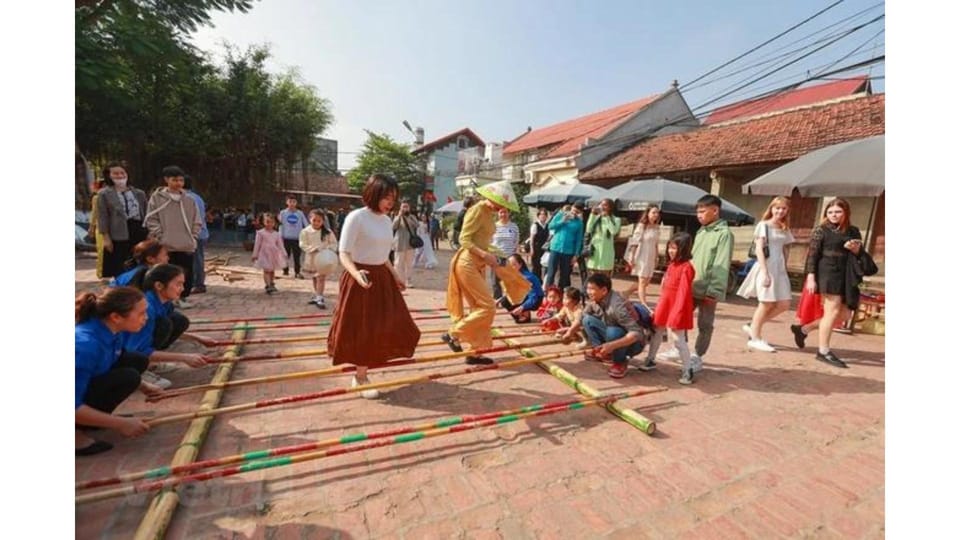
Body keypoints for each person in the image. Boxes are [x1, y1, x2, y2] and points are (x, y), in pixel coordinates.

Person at [328, 174, 421, 399]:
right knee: (363, 328)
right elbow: (344, 253)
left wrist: (395, 274)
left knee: (392, 322)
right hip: (360, 277)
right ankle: (360, 377)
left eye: (393, 198)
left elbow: (383, 254)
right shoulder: (356, 217)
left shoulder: (387, 220)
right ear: (374, 193)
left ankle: (366, 368)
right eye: (386, 197)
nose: (390, 202)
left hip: (382, 277)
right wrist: (356, 274)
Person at [443, 180, 522, 365]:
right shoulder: (477, 209)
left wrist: (502, 255)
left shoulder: (489, 213)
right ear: (494, 198)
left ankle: (475, 352)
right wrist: (485, 255)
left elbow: (484, 242)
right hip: (467, 262)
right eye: (502, 203)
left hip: (478, 264)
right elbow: (464, 239)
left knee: (479, 308)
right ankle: (452, 334)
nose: (503, 207)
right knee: (488, 306)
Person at [75, 287, 154, 456]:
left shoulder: (112, 330)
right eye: (141, 313)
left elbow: (117, 359)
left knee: (135, 362)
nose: (146, 318)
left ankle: (94, 419)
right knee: (128, 376)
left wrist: (144, 386)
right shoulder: (84, 346)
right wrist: (120, 424)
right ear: (116, 317)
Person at [660, 195, 733, 374]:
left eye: (702, 211)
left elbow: (722, 264)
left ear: (715, 210)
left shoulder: (724, 235)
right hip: (690, 286)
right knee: (678, 319)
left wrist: (714, 290)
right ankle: (679, 349)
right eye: (697, 212)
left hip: (708, 289)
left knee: (705, 325)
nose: (699, 215)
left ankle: (698, 356)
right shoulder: (701, 231)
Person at [800, 198, 864, 368]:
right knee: (832, 310)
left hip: (846, 274)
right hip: (827, 272)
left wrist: (855, 249)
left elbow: (860, 254)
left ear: (846, 213)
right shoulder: (821, 230)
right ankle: (823, 351)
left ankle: (803, 330)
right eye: (830, 212)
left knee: (844, 315)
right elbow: (812, 255)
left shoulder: (853, 230)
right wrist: (811, 276)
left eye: (837, 212)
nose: (833, 215)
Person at [124, 264, 210, 388]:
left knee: (178, 321)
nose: (182, 288)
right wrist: (184, 358)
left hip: (134, 346)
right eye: (178, 284)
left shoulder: (164, 302)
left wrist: (198, 338)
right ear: (159, 286)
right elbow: (137, 350)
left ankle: (150, 363)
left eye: (183, 284)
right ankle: (139, 370)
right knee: (164, 325)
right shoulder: (147, 310)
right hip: (123, 352)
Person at [737, 197, 795, 352]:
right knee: (766, 303)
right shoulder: (764, 225)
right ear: (771, 208)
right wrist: (765, 272)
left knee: (784, 304)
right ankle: (755, 338)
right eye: (777, 208)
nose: (780, 211)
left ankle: (753, 325)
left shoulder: (784, 227)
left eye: (783, 208)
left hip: (780, 269)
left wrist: (785, 266)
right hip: (766, 266)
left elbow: (786, 247)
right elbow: (759, 249)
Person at [639, 233, 697, 384]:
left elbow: (683, 293)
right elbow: (665, 289)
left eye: (674, 248)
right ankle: (650, 359)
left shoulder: (687, 268)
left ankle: (687, 369)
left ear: (683, 249)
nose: (671, 251)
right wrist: (659, 306)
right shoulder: (672, 265)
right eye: (670, 247)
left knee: (678, 340)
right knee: (657, 330)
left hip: (678, 307)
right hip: (666, 304)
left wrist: (677, 313)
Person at [562, 273, 644, 379]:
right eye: (587, 288)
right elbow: (582, 317)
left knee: (613, 332)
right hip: (612, 332)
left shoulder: (617, 306)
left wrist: (612, 345)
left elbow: (636, 333)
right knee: (587, 320)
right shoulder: (595, 299)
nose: (588, 292)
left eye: (592, 289)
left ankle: (620, 362)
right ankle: (602, 352)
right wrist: (570, 332)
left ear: (604, 290)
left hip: (633, 343)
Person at [143, 165, 202, 308]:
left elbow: (197, 220)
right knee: (166, 273)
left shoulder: (189, 200)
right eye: (174, 180)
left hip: (185, 244)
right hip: (166, 244)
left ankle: (182, 297)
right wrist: (160, 236)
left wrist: (193, 237)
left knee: (185, 271)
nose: (178, 183)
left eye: (181, 180)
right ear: (166, 180)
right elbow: (152, 218)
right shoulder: (157, 198)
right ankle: (166, 298)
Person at [96, 162, 149, 278]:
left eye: (122, 173)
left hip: (138, 230)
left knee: (140, 263)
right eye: (115, 173)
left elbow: (146, 213)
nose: (120, 176)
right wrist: (106, 238)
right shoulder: (104, 194)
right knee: (120, 265)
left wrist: (150, 232)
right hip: (118, 232)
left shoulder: (139, 193)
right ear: (109, 176)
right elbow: (103, 216)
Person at [623, 205, 662, 308]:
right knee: (642, 280)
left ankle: (626, 292)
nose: (655, 215)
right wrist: (631, 255)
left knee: (646, 281)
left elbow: (656, 243)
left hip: (651, 255)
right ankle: (643, 303)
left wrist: (657, 257)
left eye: (657, 213)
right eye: (653, 212)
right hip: (642, 255)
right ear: (648, 213)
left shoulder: (657, 227)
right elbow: (635, 241)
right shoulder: (641, 226)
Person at [300, 209, 339, 309]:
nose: (316, 223)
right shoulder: (305, 231)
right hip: (312, 258)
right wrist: (313, 249)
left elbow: (334, 243)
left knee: (321, 278)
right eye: (314, 220)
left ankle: (320, 297)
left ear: (323, 221)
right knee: (314, 277)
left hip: (324, 260)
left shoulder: (328, 232)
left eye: (319, 221)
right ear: (310, 219)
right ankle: (317, 295)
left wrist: (327, 249)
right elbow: (302, 244)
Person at [544, 202, 585, 289]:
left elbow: (579, 240)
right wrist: (562, 221)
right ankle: (548, 293)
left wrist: (576, 255)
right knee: (551, 272)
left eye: (577, 212)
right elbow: (550, 226)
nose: (574, 213)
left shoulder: (579, 223)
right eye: (573, 210)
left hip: (568, 251)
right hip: (555, 248)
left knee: (564, 275)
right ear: (571, 208)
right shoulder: (561, 214)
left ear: (580, 213)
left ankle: (561, 294)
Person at [495, 255, 544, 324]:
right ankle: (520, 316)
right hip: (525, 296)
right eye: (509, 265)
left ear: (520, 265)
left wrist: (522, 307)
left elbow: (533, 296)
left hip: (536, 299)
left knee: (510, 300)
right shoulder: (513, 276)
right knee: (504, 301)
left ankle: (525, 313)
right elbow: (511, 292)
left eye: (514, 265)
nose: (511, 267)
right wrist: (498, 300)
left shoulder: (527, 278)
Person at [585, 198, 622, 278]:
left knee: (605, 276)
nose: (602, 207)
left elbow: (613, 231)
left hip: (606, 251)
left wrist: (607, 218)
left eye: (605, 205)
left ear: (610, 207)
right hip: (595, 249)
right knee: (593, 275)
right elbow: (588, 229)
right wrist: (592, 215)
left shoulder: (616, 219)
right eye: (601, 204)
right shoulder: (597, 218)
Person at [184, 176, 209, 294]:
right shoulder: (197, 197)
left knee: (195, 260)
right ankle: (197, 282)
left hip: (193, 234)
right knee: (198, 259)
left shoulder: (186, 198)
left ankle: (198, 283)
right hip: (200, 233)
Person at [252, 213, 288, 294]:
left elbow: (280, 244)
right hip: (264, 254)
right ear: (263, 222)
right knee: (266, 270)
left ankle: (272, 283)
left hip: (273, 254)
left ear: (274, 223)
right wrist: (255, 254)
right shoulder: (260, 233)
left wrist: (284, 253)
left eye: (271, 222)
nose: (269, 224)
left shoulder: (276, 234)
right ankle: (267, 285)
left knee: (272, 270)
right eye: (267, 222)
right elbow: (257, 244)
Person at [490, 207, 520, 300]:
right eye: (501, 212)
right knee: (495, 280)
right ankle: (497, 298)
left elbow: (516, 241)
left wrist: (514, 256)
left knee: (509, 279)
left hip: (509, 257)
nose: (503, 214)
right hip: (497, 256)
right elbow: (489, 241)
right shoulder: (493, 226)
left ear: (509, 213)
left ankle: (509, 298)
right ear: (498, 214)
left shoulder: (514, 226)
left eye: (505, 212)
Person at [392, 199, 420, 288]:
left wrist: (408, 218)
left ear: (409, 208)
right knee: (398, 264)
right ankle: (398, 280)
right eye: (403, 206)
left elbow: (416, 225)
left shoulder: (412, 217)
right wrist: (400, 216)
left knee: (409, 264)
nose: (405, 208)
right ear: (400, 208)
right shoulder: (397, 217)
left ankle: (408, 280)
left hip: (410, 245)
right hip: (399, 244)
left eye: (406, 207)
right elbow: (393, 226)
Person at [279, 195, 309, 279]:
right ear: (287, 202)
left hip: (297, 238)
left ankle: (297, 272)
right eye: (290, 201)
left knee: (297, 256)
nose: (292, 204)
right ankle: (285, 270)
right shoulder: (283, 213)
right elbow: (280, 225)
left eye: (294, 202)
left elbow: (305, 224)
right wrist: (280, 236)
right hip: (286, 238)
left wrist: (307, 234)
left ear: (296, 203)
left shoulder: (300, 213)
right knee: (285, 255)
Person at [88, 178, 107, 280]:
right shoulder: (96, 198)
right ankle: (100, 273)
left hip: (110, 227)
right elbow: (94, 213)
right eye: (103, 186)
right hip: (100, 227)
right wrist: (91, 227)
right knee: (101, 250)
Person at [528, 208, 550, 281]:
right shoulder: (535, 225)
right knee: (536, 267)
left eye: (544, 214)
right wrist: (531, 249)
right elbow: (532, 238)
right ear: (538, 216)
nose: (543, 216)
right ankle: (535, 282)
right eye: (541, 214)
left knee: (544, 265)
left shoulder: (547, 226)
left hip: (544, 248)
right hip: (536, 248)